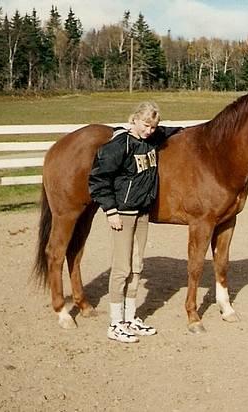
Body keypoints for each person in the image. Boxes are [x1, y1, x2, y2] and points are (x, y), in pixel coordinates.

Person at [89, 102, 182, 343]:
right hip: (123, 212)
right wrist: (110, 211)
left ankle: (130, 318)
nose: (149, 130)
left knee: (137, 265)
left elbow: (171, 131)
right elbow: (99, 179)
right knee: (121, 268)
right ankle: (115, 323)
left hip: (142, 212)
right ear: (134, 120)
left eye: (153, 126)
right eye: (145, 125)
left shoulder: (151, 138)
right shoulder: (119, 145)